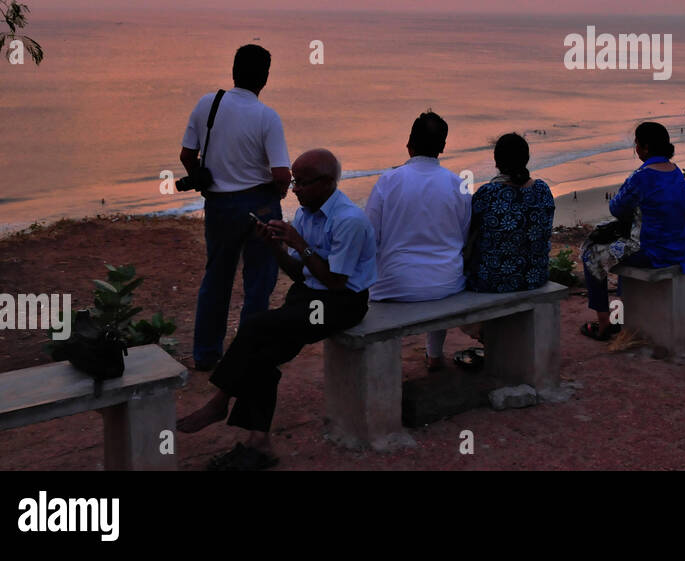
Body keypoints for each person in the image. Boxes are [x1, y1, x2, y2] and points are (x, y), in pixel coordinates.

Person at [179, 149, 375, 470]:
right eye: (294, 181)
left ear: (326, 183)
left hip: (342, 304)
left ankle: (219, 402)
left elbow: (336, 281)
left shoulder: (348, 221)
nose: (294, 188)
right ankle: (259, 443)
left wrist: (300, 244)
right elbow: (301, 273)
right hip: (309, 296)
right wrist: (275, 246)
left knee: (256, 326)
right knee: (264, 353)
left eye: (301, 183)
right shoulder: (305, 214)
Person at [180, 44, 291, 372]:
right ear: (266, 78)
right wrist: (279, 195)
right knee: (259, 282)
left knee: (216, 278)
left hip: (219, 205)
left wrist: (198, 176)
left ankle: (205, 354)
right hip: (260, 204)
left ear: (233, 70)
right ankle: (247, 352)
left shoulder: (207, 105)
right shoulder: (267, 117)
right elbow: (281, 173)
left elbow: (187, 155)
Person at [366, 111, 471, 370]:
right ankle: (434, 355)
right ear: (443, 147)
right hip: (447, 283)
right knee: (438, 269)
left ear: (408, 144)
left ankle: (384, 367)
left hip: (393, 286)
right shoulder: (459, 185)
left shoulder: (388, 181)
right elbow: (463, 237)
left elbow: (369, 236)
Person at [580, 122, 685, 341]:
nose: (636, 148)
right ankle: (620, 316)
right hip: (677, 247)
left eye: (637, 144)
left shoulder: (641, 176)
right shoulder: (675, 171)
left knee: (590, 254)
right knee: (621, 253)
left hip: (651, 251)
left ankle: (603, 322)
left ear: (646, 148)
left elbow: (617, 208)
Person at [465, 134, 555, 294]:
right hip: (535, 277)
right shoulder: (542, 190)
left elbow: (468, 233)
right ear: (526, 158)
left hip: (491, 281)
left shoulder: (488, 194)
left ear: (496, 162)